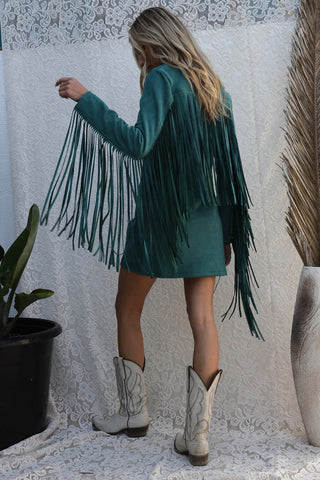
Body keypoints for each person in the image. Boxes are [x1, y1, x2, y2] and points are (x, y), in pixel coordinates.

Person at [42, 7, 262, 467]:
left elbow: (138, 143)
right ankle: (196, 438)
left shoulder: (162, 77)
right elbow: (228, 171)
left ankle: (134, 414)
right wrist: (226, 229)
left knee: (127, 306)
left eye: (138, 48)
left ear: (150, 43)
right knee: (202, 320)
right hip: (205, 223)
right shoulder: (213, 86)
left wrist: (87, 98)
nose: (138, 57)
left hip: (161, 222)